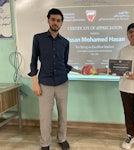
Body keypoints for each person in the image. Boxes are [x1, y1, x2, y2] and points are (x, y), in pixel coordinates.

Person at [28, 8, 81, 150]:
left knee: (63, 114)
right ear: (48, 20)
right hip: (44, 83)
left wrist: (79, 70)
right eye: (53, 19)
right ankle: (45, 143)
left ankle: (62, 138)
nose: (55, 23)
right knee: (45, 116)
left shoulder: (65, 42)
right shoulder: (38, 38)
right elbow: (33, 62)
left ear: (62, 23)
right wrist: (34, 83)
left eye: (58, 20)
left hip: (62, 82)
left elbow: (63, 64)